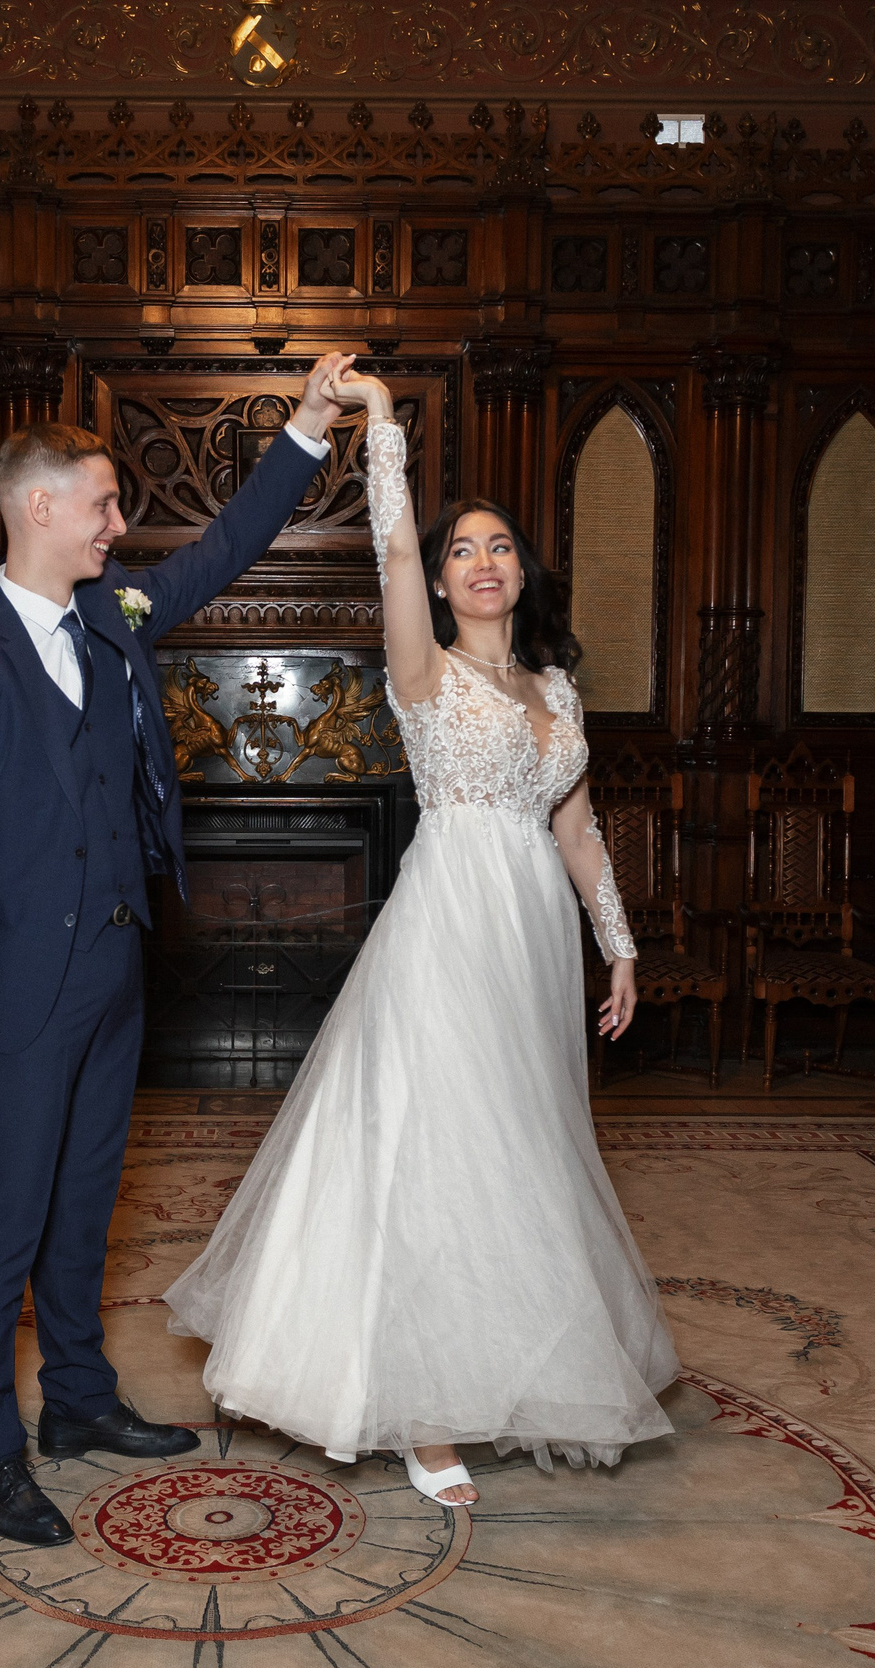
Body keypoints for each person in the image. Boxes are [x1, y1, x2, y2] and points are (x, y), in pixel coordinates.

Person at [165, 369, 680, 1507]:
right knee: (439, 1148)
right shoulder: (422, 672)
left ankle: (505, 1359)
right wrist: (384, 426)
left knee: (521, 1146)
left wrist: (621, 946)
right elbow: (389, 558)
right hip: (448, 919)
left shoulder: (558, 691)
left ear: (522, 573)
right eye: (463, 552)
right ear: (442, 583)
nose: (483, 561)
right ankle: (425, 1408)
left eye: (500, 547)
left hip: (534, 934)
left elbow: (579, 830)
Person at [0, 352, 359, 1546]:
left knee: (85, 1207)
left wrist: (307, 428)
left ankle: (80, 1407)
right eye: (104, 504)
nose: (121, 525)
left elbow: (219, 551)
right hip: (10, 994)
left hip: (112, 970)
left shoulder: (113, 618)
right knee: (2, 1222)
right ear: (39, 508)